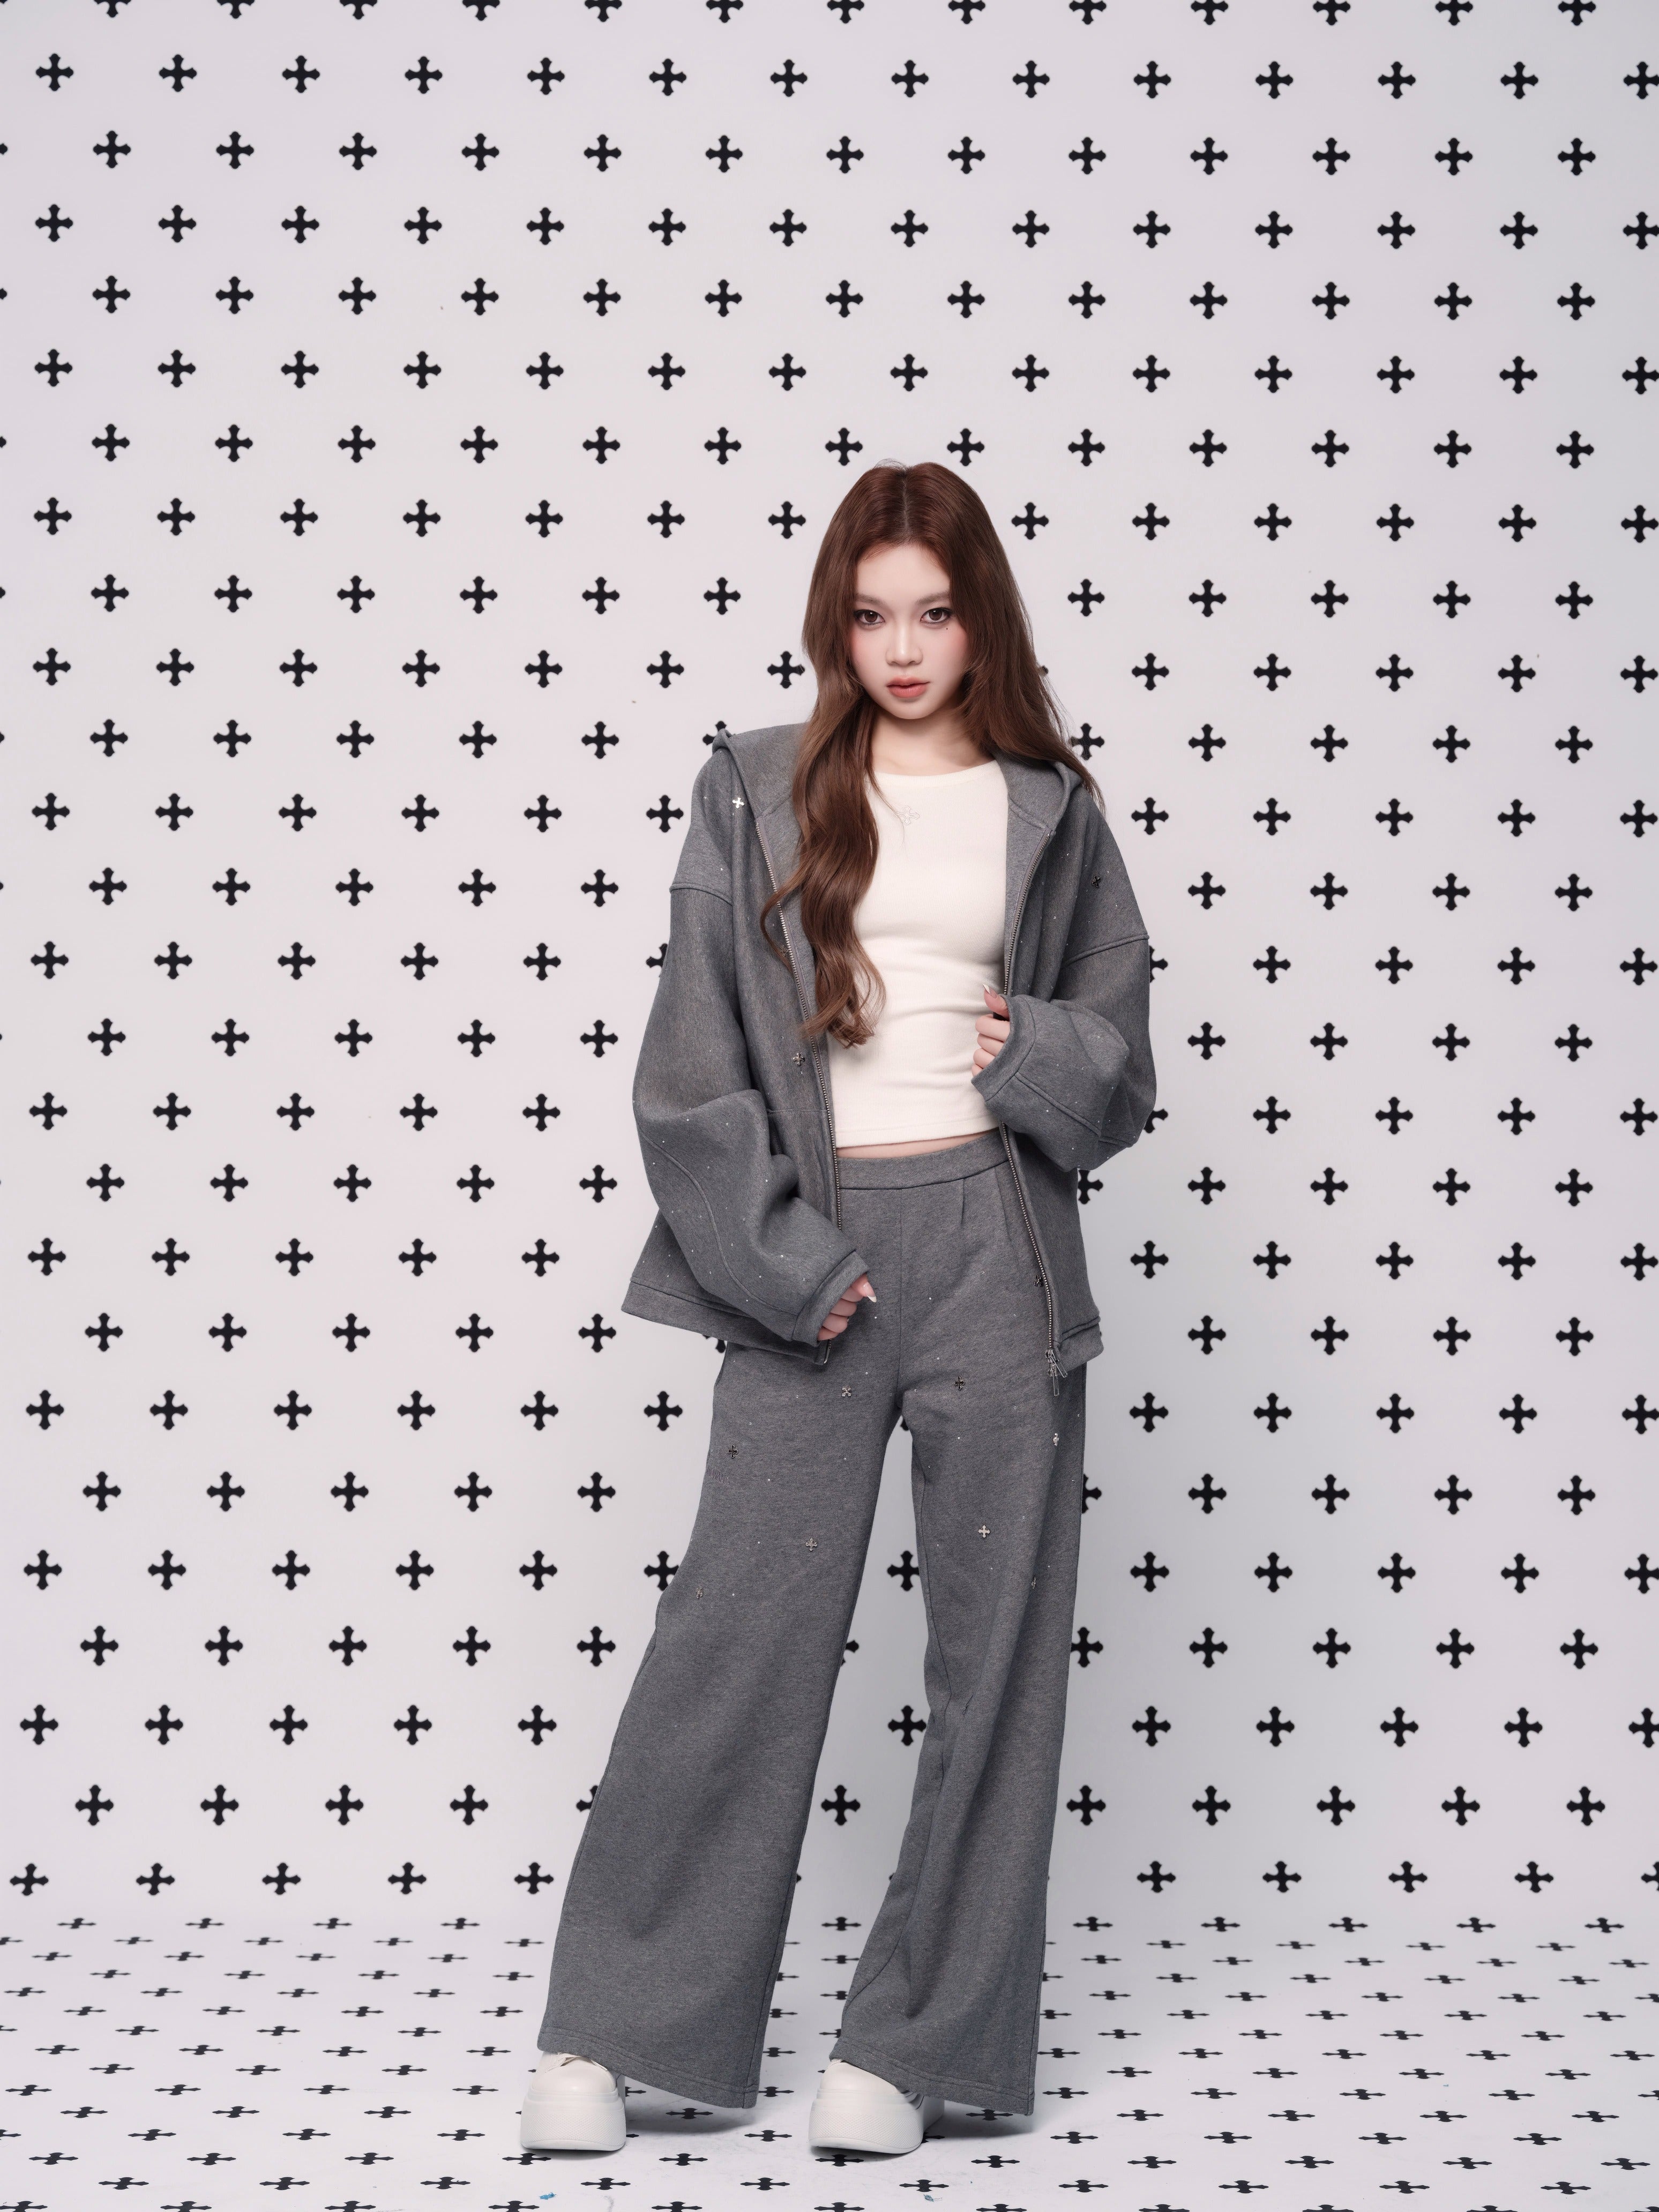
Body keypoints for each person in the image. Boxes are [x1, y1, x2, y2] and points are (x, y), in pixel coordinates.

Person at [519, 459, 1157, 2159]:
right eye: (872, 615)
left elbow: (1120, 1054)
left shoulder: (1053, 807)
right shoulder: (753, 789)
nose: (905, 647)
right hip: (815, 1252)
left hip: (1000, 1246)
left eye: (936, 613)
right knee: (737, 1635)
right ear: (835, 625)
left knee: (996, 1661)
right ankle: (614, 2029)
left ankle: (912, 2048)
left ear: (982, 621)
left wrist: (1043, 1051)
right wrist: (787, 1259)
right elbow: (689, 1070)